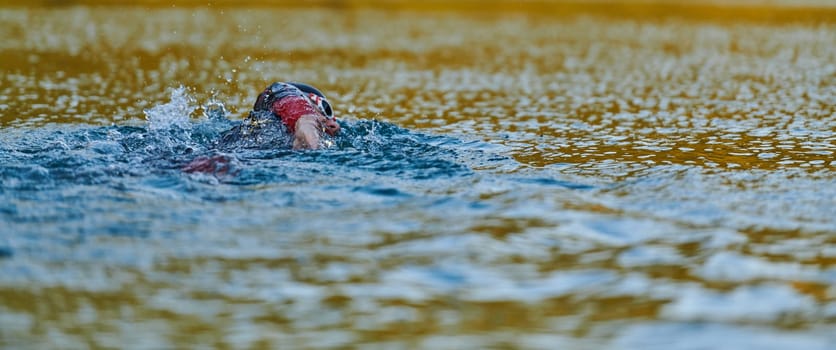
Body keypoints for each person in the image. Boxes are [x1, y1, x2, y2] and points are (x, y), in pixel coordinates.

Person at [183, 82, 339, 174]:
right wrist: (311, 130)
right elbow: (279, 92)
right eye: (325, 110)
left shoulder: (252, 132)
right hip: (225, 164)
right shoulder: (287, 101)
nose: (333, 123)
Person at [219, 81, 340, 150]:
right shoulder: (285, 94)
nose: (333, 123)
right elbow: (302, 117)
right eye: (324, 109)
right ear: (307, 101)